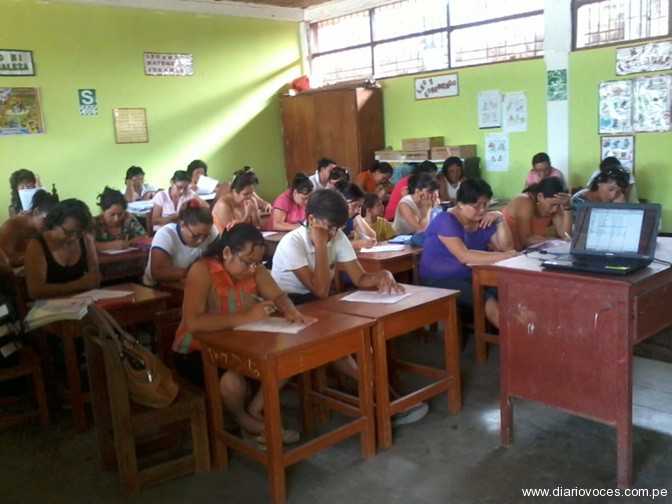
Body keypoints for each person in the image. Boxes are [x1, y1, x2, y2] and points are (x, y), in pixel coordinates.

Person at [173, 224, 304, 443]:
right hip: (196, 351)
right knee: (233, 382)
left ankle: (255, 409)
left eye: (257, 263)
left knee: (288, 357)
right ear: (227, 253)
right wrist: (248, 316)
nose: (253, 269)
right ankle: (242, 419)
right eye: (247, 262)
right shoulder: (202, 270)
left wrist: (290, 310)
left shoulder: (255, 269)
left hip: (240, 345)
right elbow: (193, 323)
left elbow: (279, 296)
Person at [271, 189, 402, 305]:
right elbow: (320, 291)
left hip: (318, 301)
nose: (333, 233)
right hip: (290, 303)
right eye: (329, 227)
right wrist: (321, 244)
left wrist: (382, 275)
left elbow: (359, 278)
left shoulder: (337, 235)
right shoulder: (292, 243)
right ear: (311, 220)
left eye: (337, 228)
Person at [420, 179, 517, 328]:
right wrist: (508, 256)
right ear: (460, 204)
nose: (482, 210)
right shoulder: (446, 220)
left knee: (510, 289)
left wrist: (500, 218)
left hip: (472, 276)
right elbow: (464, 256)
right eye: (476, 206)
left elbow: (506, 247)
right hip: (440, 279)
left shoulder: (482, 221)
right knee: (485, 297)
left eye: (486, 204)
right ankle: (514, 337)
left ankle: (518, 331)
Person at [24, 199, 100, 299]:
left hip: (81, 301)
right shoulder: (37, 245)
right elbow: (35, 291)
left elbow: (95, 279)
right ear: (55, 224)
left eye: (79, 233)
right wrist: (78, 285)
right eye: (68, 232)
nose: (74, 238)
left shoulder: (85, 239)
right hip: (50, 304)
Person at [143, 201, 217, 286]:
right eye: (196, 236)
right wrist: (192, 273)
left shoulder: (209, 232)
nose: (201, 240)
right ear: (182, 225)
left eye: (205, 236)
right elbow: (157, 272)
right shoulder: (166, 235)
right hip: (156, 287)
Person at [503, 177, 572, 251]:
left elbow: (566, 236)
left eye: (559, 205)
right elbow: (526, 241)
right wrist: (554, 241)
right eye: (553, 205)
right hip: (505, 253)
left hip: (524, 252)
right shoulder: (525, 201)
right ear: (540, 197)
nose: (555, 209)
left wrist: (567, 207)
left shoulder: (555, 207)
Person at [0, 190, 58, 267]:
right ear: (36, 211)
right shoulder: (12, 226)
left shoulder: (42, 228)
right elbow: (5, 261)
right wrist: (38, 255)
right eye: (46, 220)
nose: (48, 226)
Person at [93, 187, 147, 252]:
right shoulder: (94, 223)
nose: (116, 219)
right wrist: (111, 245)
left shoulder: (129, 219)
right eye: (112, 214)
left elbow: (144, 237)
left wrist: (128, 243)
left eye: (120, 214)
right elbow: (88, 245)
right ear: (103, 211)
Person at [336, 182, 376, 249]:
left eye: (359, 206)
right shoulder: (331, 219)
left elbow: (372, 236)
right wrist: (356, 244)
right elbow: (330, 246)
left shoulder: (352, 218)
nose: (357, 210)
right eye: (354, 205)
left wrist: (357, 217)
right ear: (342, 202)